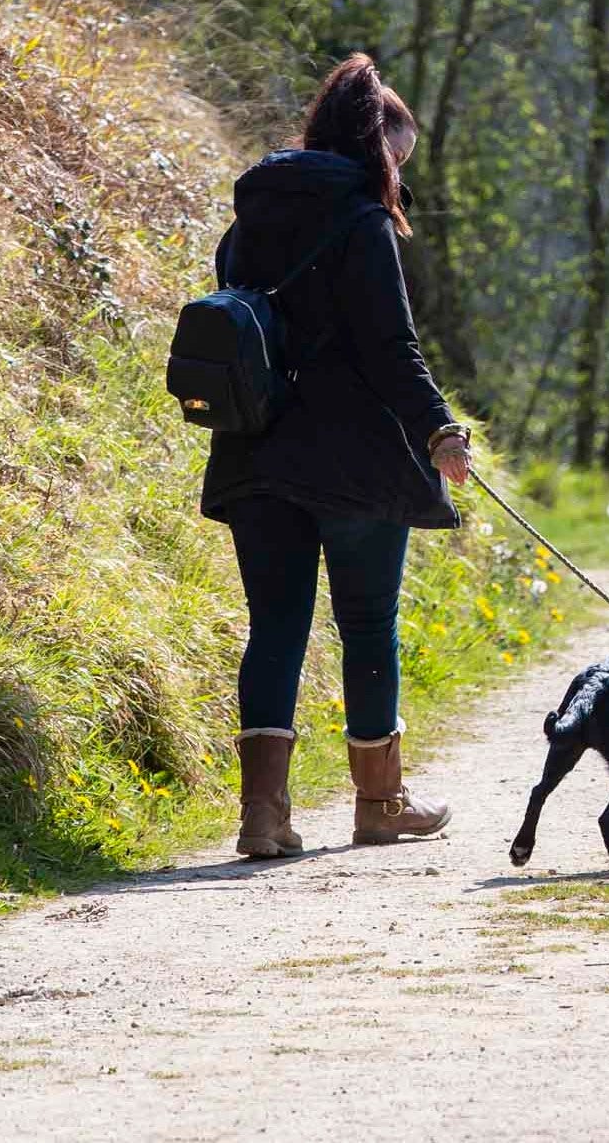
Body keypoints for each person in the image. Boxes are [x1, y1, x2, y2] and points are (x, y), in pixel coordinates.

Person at [202, 54, 473, 859]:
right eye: (400, 162)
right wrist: (439, 432)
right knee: (367, 625)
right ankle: (380, 804)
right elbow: (392, 347)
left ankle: (263, 817)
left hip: (257, 453)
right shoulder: (362, 222)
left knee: (275, 627)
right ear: (378, 148)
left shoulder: (248, 220)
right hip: (355, 461)